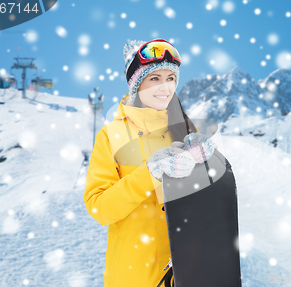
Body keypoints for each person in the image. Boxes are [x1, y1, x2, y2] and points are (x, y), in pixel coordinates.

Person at [83, 38, 215, 287]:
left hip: (184, 273)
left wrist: (206, 165)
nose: (165, 87)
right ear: (135, 84)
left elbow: (206, 205)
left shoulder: (184, 130)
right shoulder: (112, 136)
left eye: (171, 78)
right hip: (132, 277)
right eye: (154, 78)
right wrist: (150, 173)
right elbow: (99, 208)